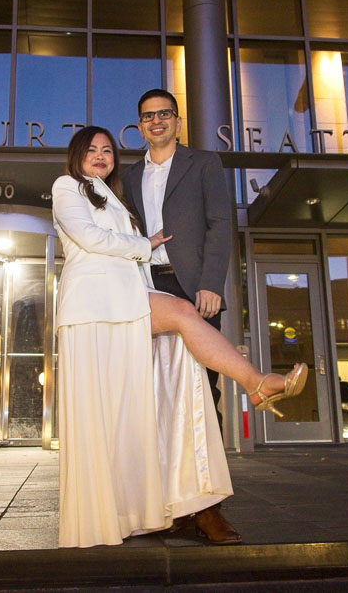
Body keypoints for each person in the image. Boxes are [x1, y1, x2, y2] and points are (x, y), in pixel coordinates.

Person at [52, 126, 307, 549]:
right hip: (96, 302)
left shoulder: (112, 194)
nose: (100, 156)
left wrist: (141, 249)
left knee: (151, 385)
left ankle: (252, 392)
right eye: (91, 150)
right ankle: (257, 385)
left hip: (125, 293)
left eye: (107, 150)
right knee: (176, 329)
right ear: (77, 156)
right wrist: (143, 244)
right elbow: (88, 237)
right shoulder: (68, 186)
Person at [120, 89, 237, 543]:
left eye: (164, 114)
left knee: (203, 397)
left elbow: (220, 224)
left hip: (193, 288)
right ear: (140, 124)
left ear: (177, 121)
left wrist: (211, 282)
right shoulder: (128, 176)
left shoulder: (204, 163)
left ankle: (209, 508)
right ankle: (164, 506)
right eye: (147, 116)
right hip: (144, 292)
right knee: (151, 399)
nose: (156, 122)